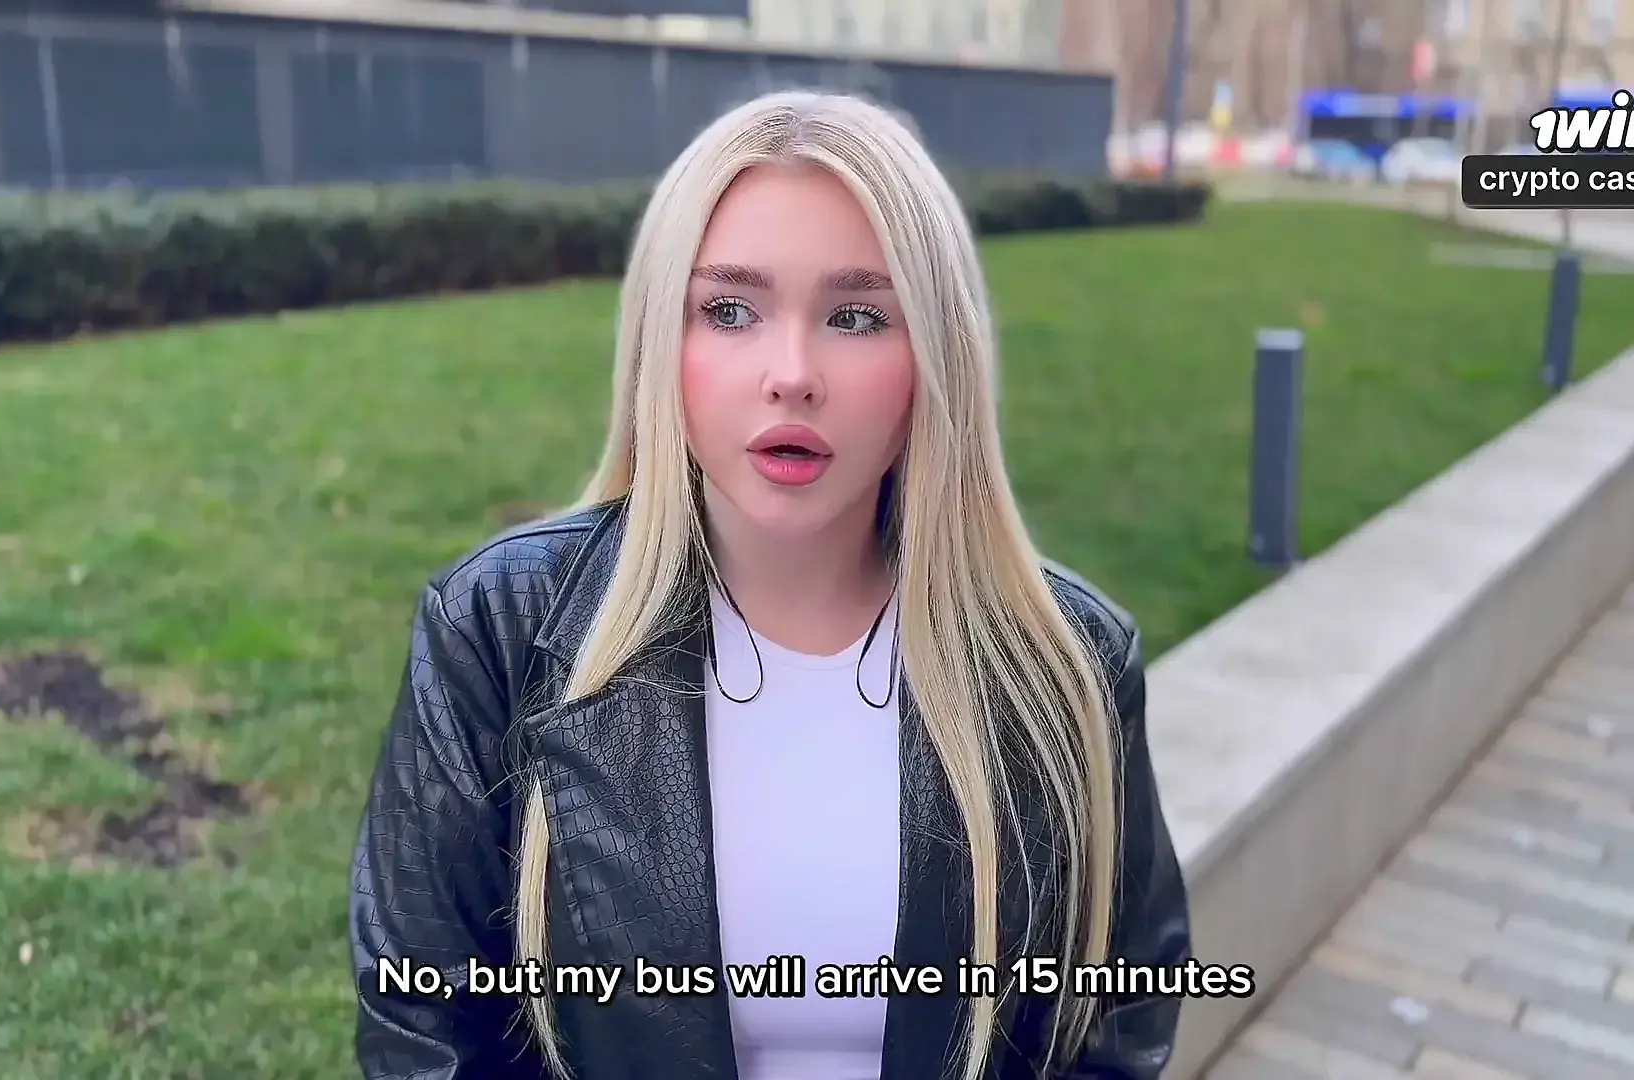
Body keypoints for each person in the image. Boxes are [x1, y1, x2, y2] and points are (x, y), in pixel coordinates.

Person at [351, 90, 1191, 1080]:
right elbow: (425, 1032)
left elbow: (1118, 1020)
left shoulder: (1066, 662)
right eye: (730, 311)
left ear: (938, 356)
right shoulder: (496, 627)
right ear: (661, 343)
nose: (792, 375)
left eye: (856, 315)